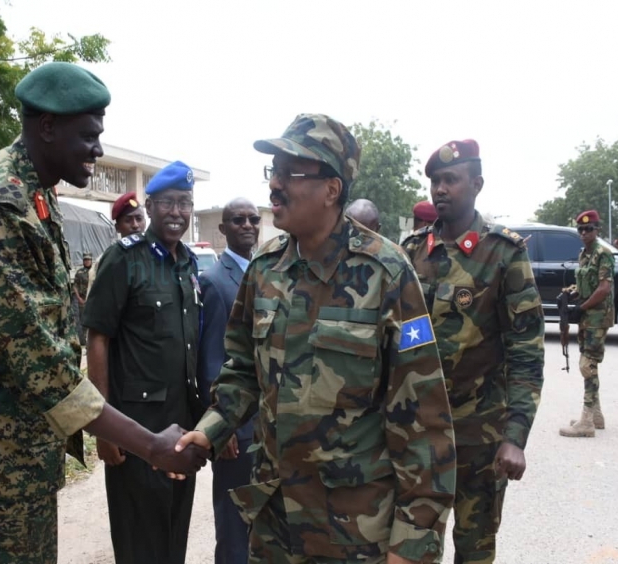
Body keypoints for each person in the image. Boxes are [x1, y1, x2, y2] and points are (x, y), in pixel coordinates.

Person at [0, 62, 207, 564]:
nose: (98, 150)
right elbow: (42, 365)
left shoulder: (35, 193)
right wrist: (149, 445)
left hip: (18, 453)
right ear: (47, 127)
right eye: (89, 136)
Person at [178, 113, 456, 564]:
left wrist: (412, 544)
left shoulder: (386, 272)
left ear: (331, 189)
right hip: (275, 525)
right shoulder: (264, 268)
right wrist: (209, 431)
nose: (275, 185)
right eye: (274, 171)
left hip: (354, 533)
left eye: (292, 173)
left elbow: (424, 419)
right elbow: (243, 371)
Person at [401, 139, 545, 564]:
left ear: (477, 184)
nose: (440, 189)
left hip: (480, 436)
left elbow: (526, 350)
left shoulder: (503, 253)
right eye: (435, 181)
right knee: (412, 549)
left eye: (450, 180)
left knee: (475, 550)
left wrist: (515, 436)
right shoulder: (412, 252)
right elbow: (395, 340)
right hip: (417, 434)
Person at [83, 160, 206, 564]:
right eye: (168, 203)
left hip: (182, 426)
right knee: (140, 544)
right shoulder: (124, 259)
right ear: (150, 207)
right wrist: (102, 427)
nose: (177, 212)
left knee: (173, 535)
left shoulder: (188, 263)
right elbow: (98, 337)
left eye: (185, 203)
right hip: (135, 429)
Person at [197, 197, 260, 564]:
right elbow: (212, 361)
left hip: (264, 425)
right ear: (223, 229)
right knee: (234, 526)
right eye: (238, 220)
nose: (248, 225)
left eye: (253, 219)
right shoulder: (214, 280)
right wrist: (224, 426)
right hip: (238, 428)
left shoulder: (262, 272)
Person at [559, 210, 614, 438]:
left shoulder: (603, 254)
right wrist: (571, 293)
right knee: (588, 362)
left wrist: (581, 307)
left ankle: (586, 422)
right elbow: (585, 283)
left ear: (596, 230)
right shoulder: (584, 253)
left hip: (597, 317)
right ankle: (596, 416)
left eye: (588, 229)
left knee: (587, 364)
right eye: (580, 229)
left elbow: (604, 288)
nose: (583, 233)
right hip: (587, 317)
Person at [73, 251, 92, 345]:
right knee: (83, 321)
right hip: (83, 300)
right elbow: (75, 286)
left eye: (88, 259)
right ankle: (84, 341)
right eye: (85, 260)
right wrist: (78, 298)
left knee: (94, 321)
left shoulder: (95, 271)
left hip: (93, 300)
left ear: (91, 260)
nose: (87, 261)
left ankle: (92, 342)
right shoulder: (79, 272)